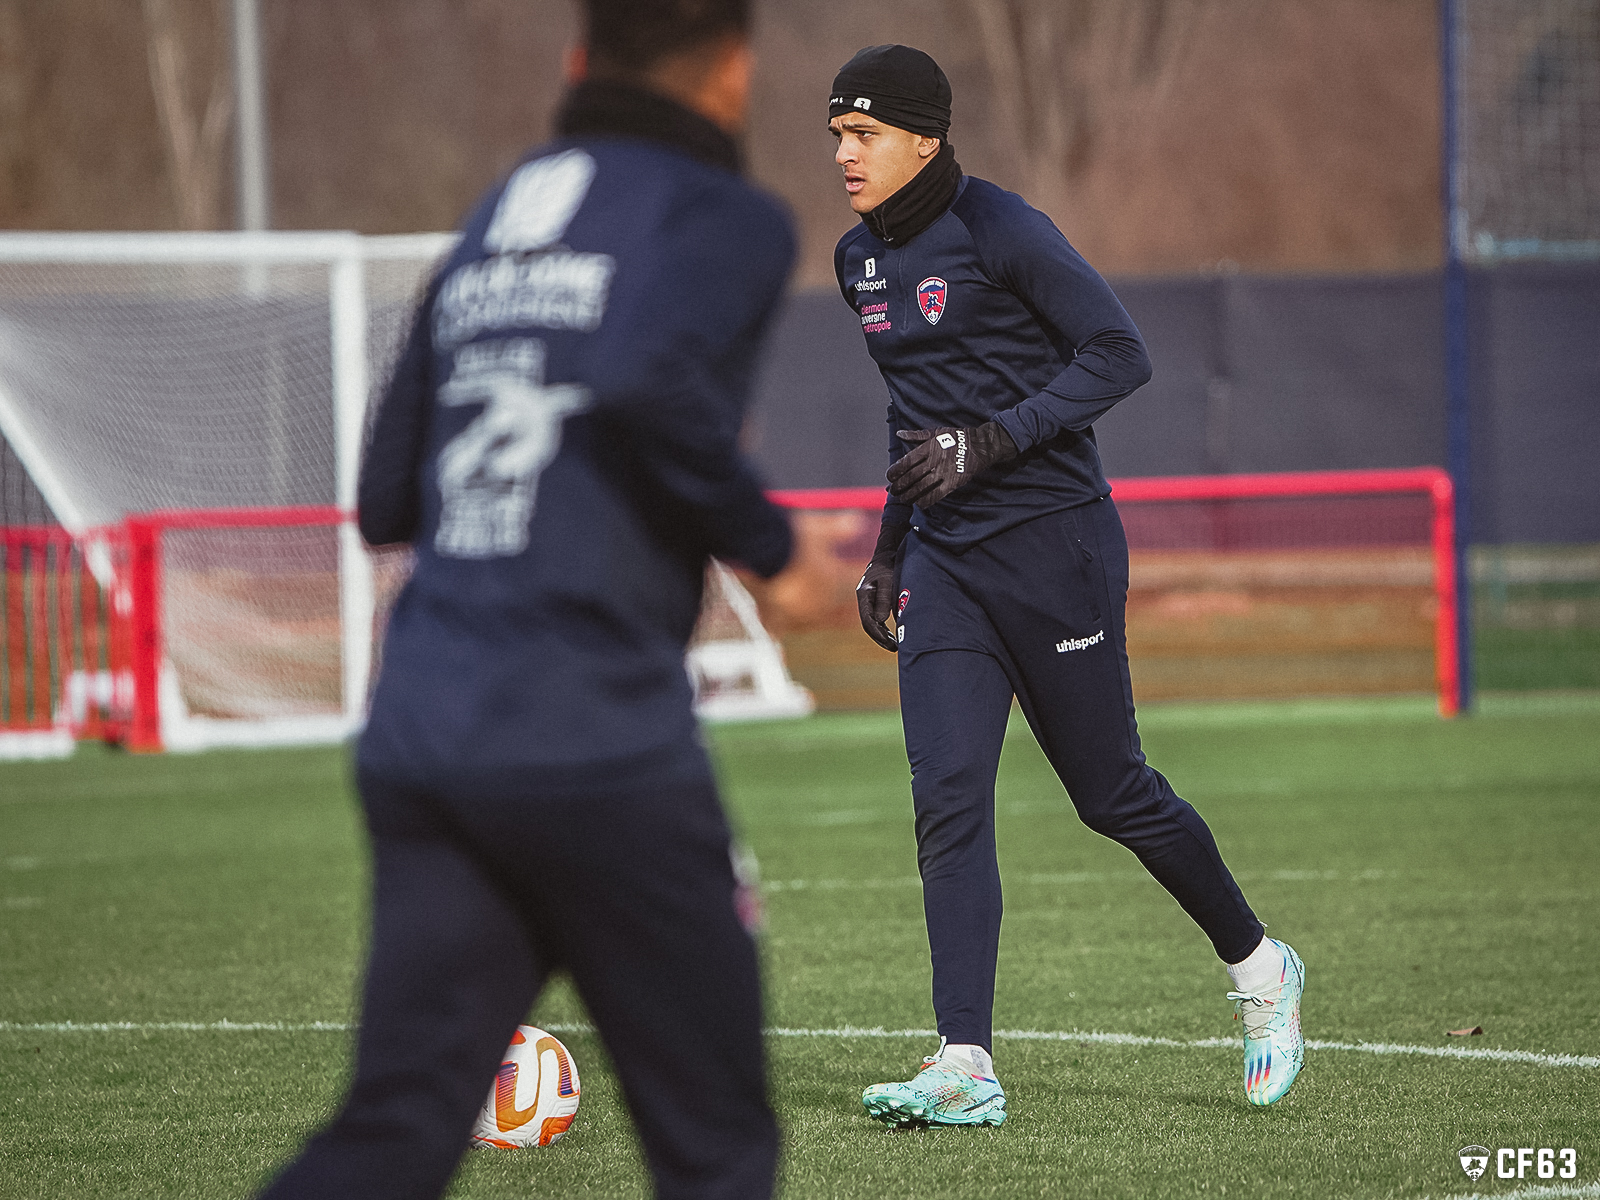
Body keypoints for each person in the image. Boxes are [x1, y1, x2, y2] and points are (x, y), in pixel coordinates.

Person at [259, 3, 808, 1196]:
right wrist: (779, 548)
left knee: (392, 1131)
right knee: (717, 1148)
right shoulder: (729, 217)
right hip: (593, 737)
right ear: (731, 69)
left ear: (576, 62)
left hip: (424, 732)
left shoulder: (497, 218)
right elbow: (647, 378)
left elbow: (383, 497)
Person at [828, 44, 1305, 1126]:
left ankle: (1261, 969)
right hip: (946, 566)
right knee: (947, 802)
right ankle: (964, 1063)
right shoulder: (857, 260)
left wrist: (993, 443)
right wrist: (890, 546)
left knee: (1111, 795)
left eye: (862, 136)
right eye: (837, 138)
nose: (845, 157)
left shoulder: (1002, 228)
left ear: (923, 139)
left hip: (1055, 549)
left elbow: (1116, 352)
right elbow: (914, 418)